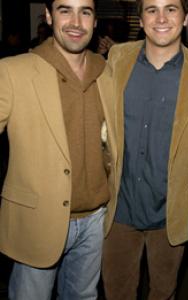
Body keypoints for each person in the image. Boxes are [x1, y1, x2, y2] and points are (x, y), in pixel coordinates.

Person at [97, 0, 188, 299]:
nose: (161, 18)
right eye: (151, 9)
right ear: (142, 19)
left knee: (164, 292)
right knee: (116, 293)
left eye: (171, 9)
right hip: (119, 210)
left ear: (185, 17)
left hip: (171, 214)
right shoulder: (116, 58)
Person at [0, 0, 109, 299]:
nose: (76, 22)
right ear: (48, 16)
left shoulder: (108, 74)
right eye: (65, 10)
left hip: (96, 220)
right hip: (39, 220)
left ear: (95, 20)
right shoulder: (13, 71)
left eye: (85, 12)